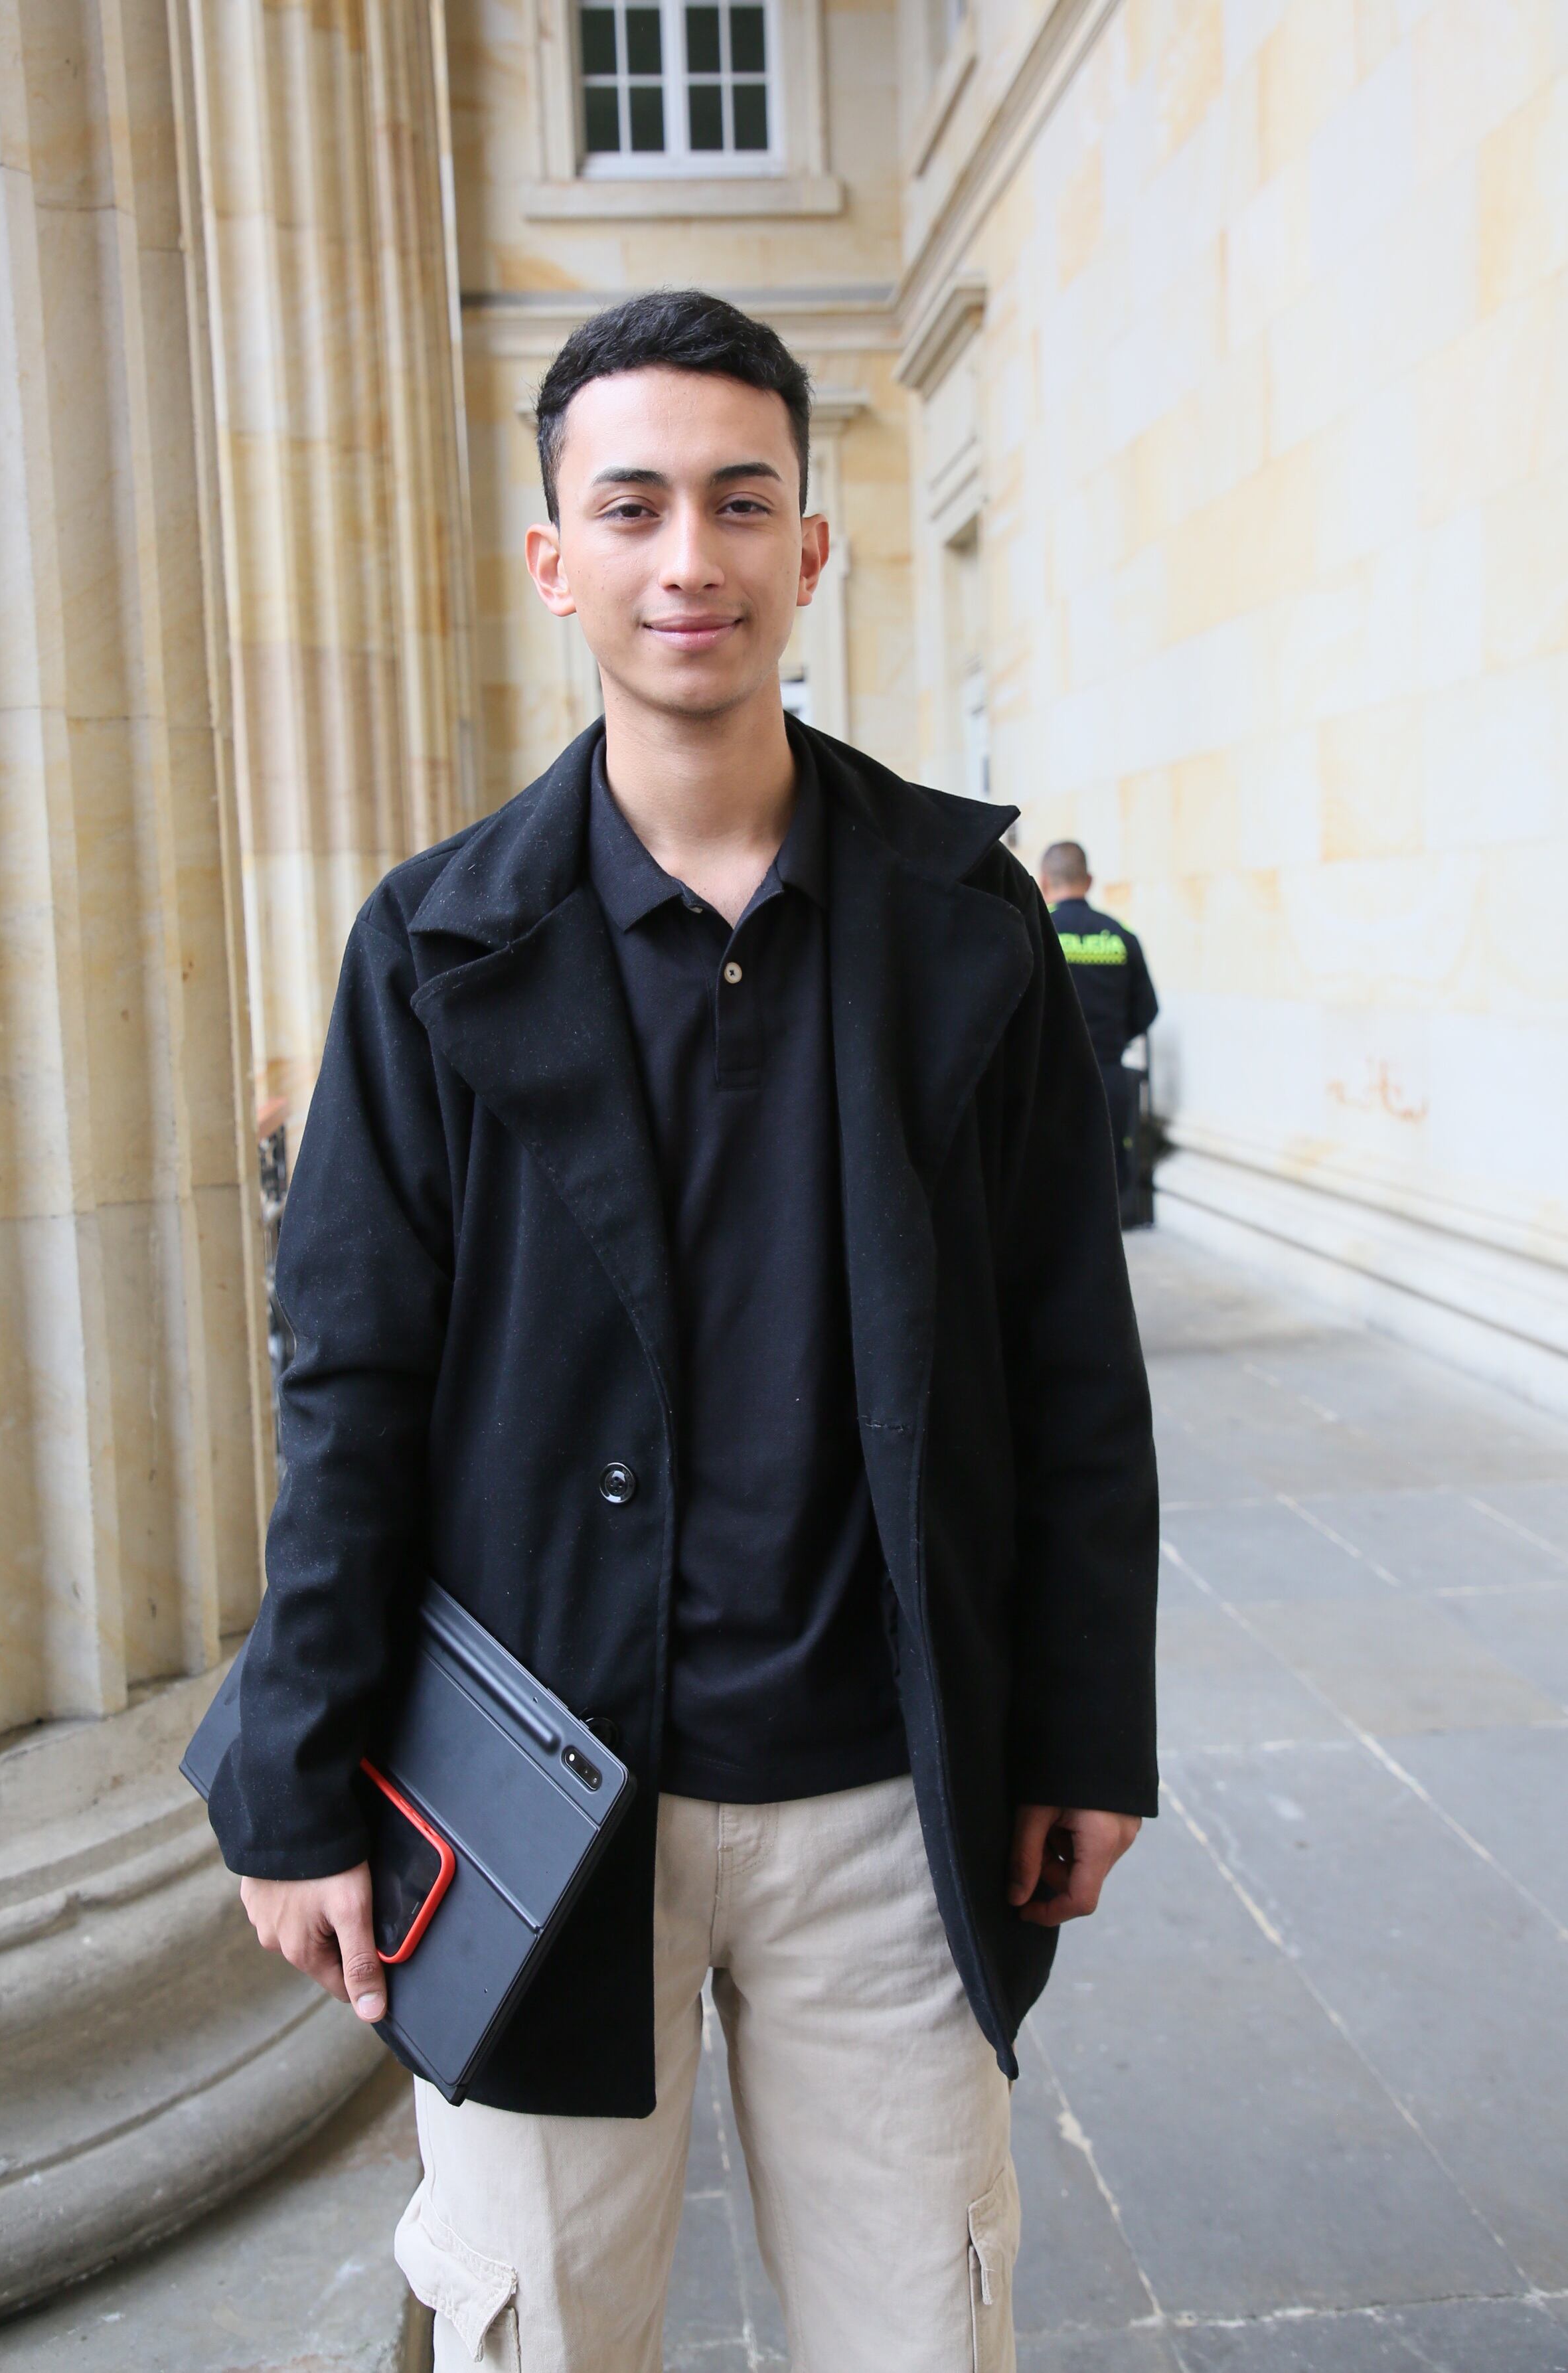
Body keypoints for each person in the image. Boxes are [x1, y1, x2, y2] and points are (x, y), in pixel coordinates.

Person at [211, 291, 1158, 2373]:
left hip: (883, 1794)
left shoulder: (966, 921)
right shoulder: (433, 945)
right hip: (536, 1790)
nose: (688, 558)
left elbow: (1069, 1356)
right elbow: (349, 1385)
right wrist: (296, 1775)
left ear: (811, 545)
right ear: (553, 559)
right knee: (533, 2337)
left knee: (924, 2334)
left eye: (741, 502)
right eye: (629, 506)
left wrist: (1086, 1722)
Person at [1038, 843, 1159, 1227]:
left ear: (1043, 882)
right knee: (1107, 1187)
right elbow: (1148, 1010)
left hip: (1048, 1078)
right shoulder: (1120, 936)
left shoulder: (1037, 930)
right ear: (1088, 880)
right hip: (1108, 1074)